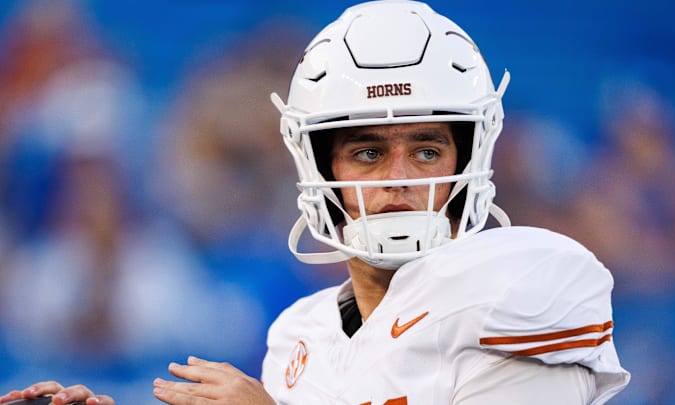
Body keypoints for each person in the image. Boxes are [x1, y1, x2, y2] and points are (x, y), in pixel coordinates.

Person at [0, 1, 630, 404]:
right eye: (367, 153)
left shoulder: (526, 292)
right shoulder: (299, 337)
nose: (400, 179)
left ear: (470, 161)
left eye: (428, 151)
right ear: (316, 166)